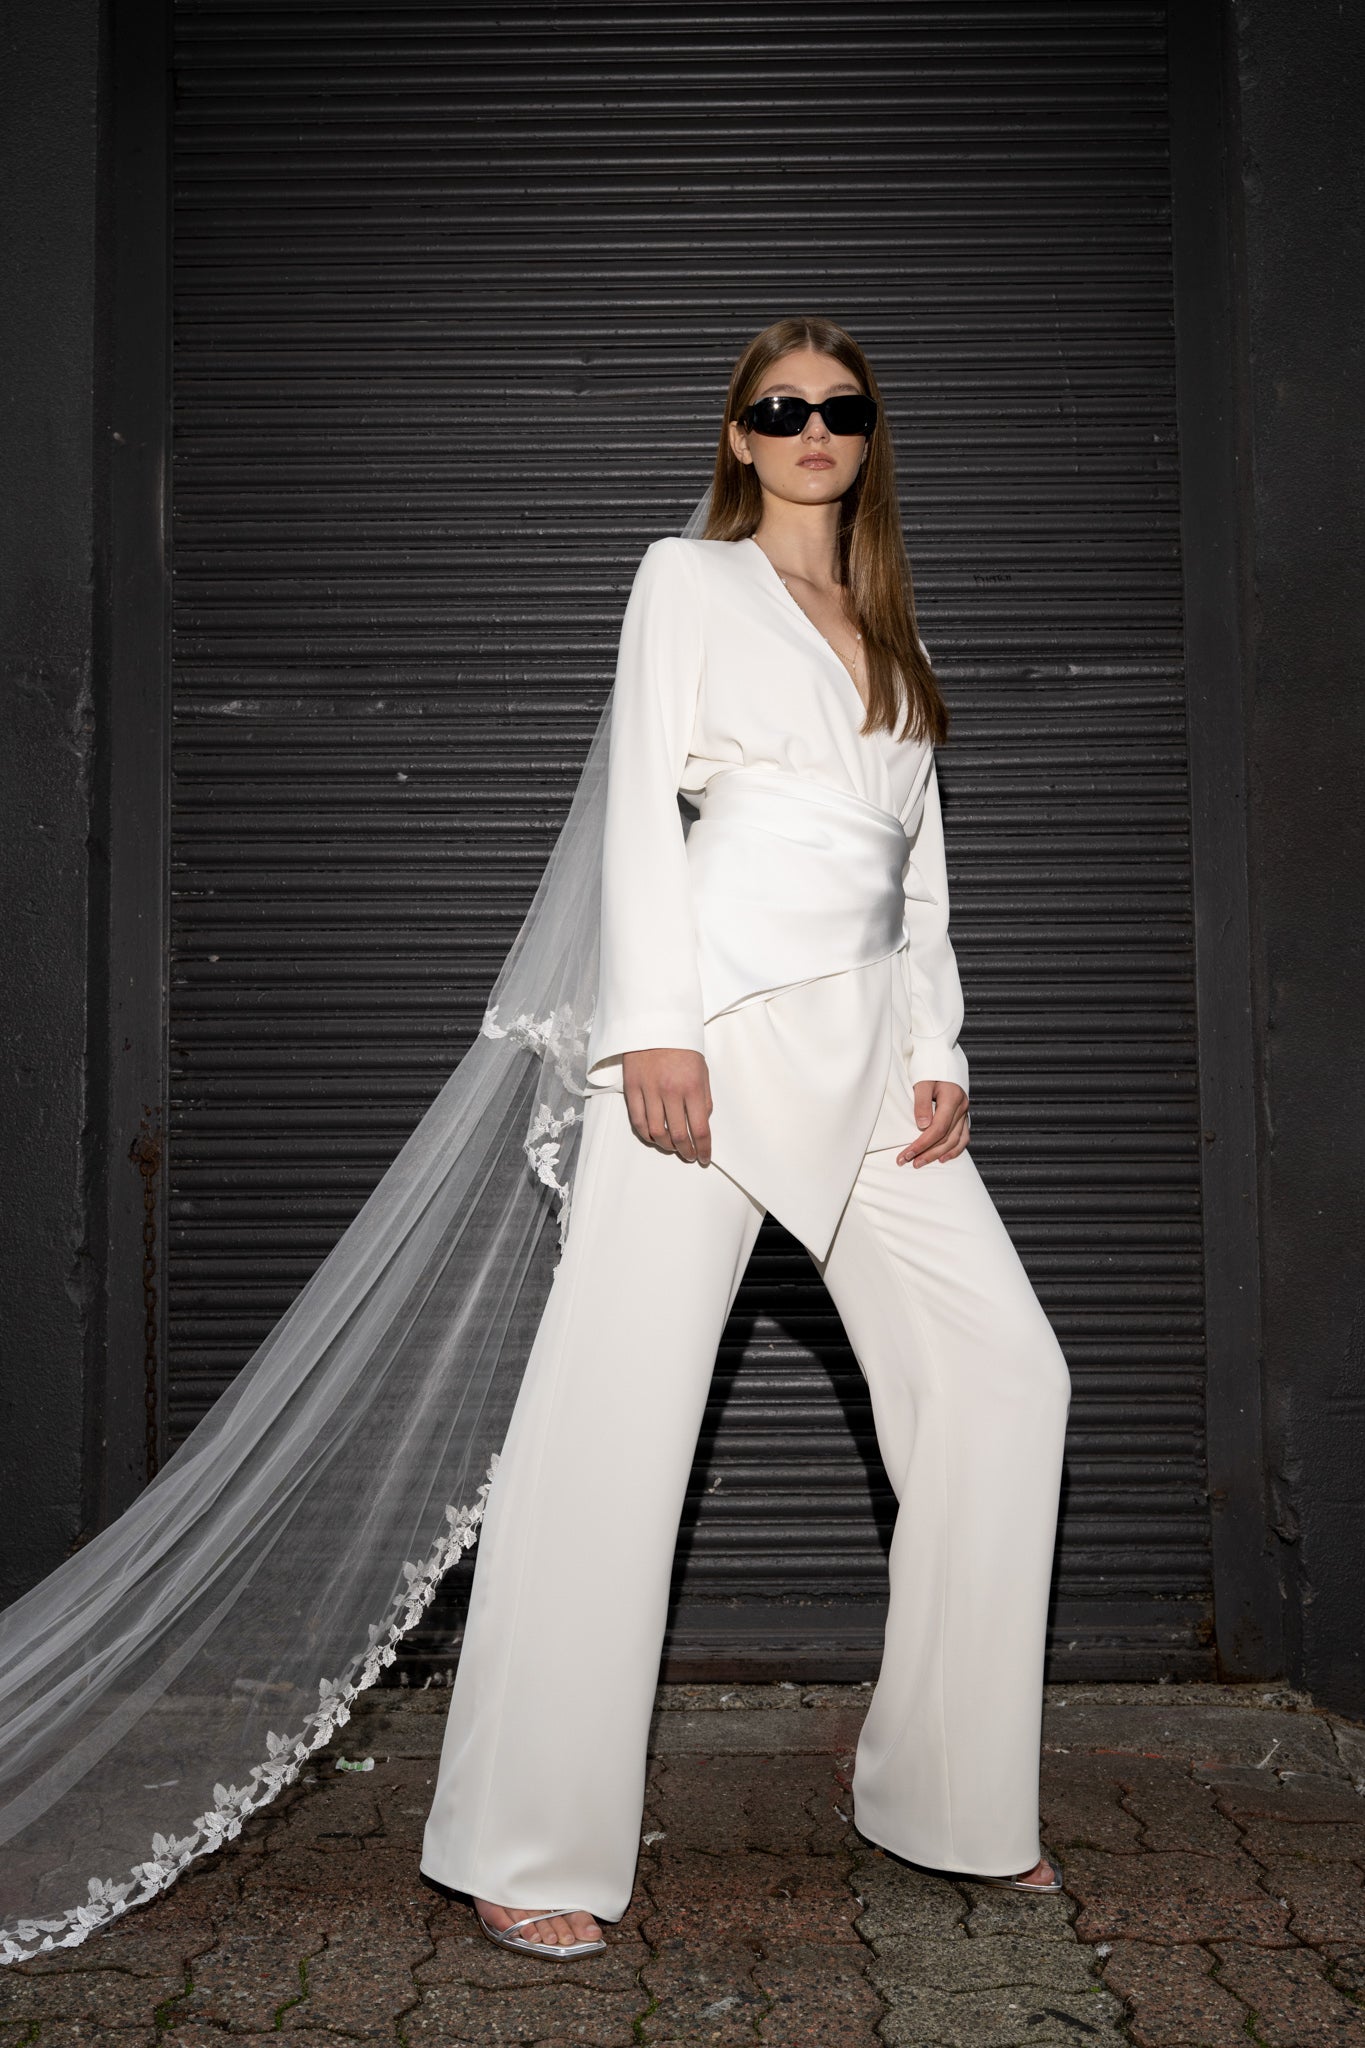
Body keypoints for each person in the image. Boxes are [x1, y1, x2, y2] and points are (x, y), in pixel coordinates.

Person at [417, 316, 1073, 1960]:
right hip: (705, 1044)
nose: (809, 430)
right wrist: (650, 1027)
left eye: (838, 409)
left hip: (871, 1064)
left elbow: (913, 869)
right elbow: (641, 796)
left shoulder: (890, 625)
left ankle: (945, 1799)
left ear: (866, 438)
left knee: (1007, 1377)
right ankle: (523, 1839)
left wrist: (942, 1046)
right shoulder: (685, 581)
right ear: (738, 435)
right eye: (777, 408)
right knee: (613, 1430)